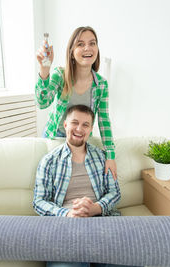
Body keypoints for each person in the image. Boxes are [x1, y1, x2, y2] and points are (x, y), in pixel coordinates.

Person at [33, 105, 122, 267]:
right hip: (65, 225)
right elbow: (39, 201)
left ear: (90, 129)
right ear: (65, 125)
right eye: (75, 123)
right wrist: (67, 213)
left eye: (85, 125)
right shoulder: (49, 161)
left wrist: (97, 207)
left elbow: (114, 192)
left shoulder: (103, 157)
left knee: (126, 260)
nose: (79, 129)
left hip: (103, 221)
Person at [35, 26, 117, 180]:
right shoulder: (60, 75)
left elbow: (104, 121)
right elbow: (42, 102)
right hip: (55, 137)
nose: (88, 48)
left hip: (80, 141)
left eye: (92, 43)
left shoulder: (101, 84)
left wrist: (110, 156)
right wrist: (44, 69)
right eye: (80, 44)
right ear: (72, 51)